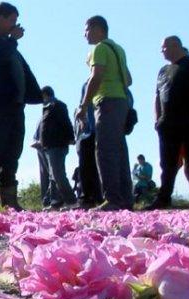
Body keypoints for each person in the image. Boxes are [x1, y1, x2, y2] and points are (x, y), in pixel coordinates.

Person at [0, 2, 43, 211]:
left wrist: (35, 95)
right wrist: (12, 41)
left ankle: (8, 200)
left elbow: (22, 70)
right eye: (11, 20)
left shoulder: (8, 45)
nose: (14, 25)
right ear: (0, 18)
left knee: (13, 149)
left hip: (15, 104)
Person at [75, 15, 134, 211]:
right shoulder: (118, 49)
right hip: (121, 102)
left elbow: (96, 76)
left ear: (98, 29)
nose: (84, 34)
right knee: (119, 151)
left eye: (87, 29)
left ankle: (112, 199)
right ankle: (125, 199)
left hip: (106, 102)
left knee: (105, 151)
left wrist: (84, 105)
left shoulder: (99, 48)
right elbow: (128, 79)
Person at [146, 36, 189, 210]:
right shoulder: (163, 71)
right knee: (167, 163)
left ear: (175, 45)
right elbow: (157, 96)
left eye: (164, 47)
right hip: (166, 123)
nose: (162, 51)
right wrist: (157, 119)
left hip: (187, 119)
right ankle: (164, 198)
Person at [33, 86, 76, 209]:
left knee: (58, 174)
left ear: (45, 95)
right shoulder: (47, 107)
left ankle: (71, 201)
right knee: (53, 176)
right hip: (49, 146)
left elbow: (66, 122)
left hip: (57, 145)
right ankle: (55, 202)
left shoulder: (58, 105)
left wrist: (71, 137)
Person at [73, 82, 103, 208]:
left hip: (101, 129)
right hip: (87, 132)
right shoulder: (86, 85)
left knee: (100, 165)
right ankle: (88, 197)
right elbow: (82, 108)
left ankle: (100, 197)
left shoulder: (104, 81)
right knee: (86, 165)